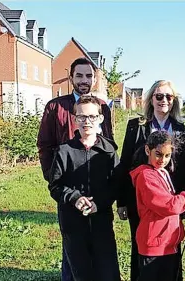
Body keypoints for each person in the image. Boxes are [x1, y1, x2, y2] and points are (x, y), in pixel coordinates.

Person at [37, 57, 113, 281]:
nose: (84, 80)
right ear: (71, 78)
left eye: (88, 76)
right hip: (68, 189)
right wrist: (53, 178)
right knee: (72, 248)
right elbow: (44, 144)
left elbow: (108, 142)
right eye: (79, 75)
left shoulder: (103, 108)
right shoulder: (56, 107)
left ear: (95, 79)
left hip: (97, 188)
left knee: (101, 247)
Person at [116, 80, 185, 281]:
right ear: (151, 99)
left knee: (171, 247)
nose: (163, 100)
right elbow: (125, 163)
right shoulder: (136, 126)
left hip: (171, 200)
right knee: (141, 246)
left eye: (168, 96)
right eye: (159, 96)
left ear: (174, 100)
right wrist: (122, 201)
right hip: (141, 200)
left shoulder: (181, 129)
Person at [48, 96, 120, 281]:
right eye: (81, 117)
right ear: (74, 119)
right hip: (72, 222)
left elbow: (116, 184)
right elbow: (55, 185)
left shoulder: (109, 151)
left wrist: (101, 203)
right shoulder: (64, 151)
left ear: (100, 118)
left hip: (101, 220)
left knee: (107, 271)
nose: (86, 122)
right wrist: (74, 198)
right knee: (79, 272)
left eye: (91, 117)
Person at [129, 130, 185, 281]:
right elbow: (170, 206)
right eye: (158, 154)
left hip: (167, 243)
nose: (162, 160)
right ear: (147, 150)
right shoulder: (146, 176)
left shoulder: (161, 172)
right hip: (154, 246)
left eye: (167, 155)